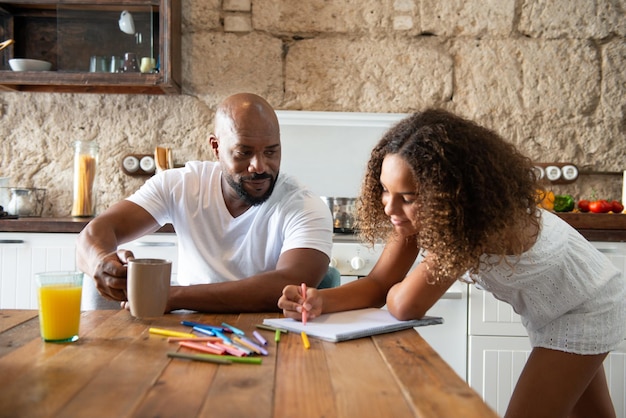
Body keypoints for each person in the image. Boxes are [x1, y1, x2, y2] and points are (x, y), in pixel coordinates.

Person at [278, 109, 625, 418]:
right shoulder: (418, 216)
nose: (389, 208)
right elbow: (380, 285)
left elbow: (404, 304)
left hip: (585, 306)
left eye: (408, 197)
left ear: (448, 193)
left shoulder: (467, 224)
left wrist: (402, 285)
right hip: (558, 304)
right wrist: (320, 300)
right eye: (384, 190)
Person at [76, 92, 333, 313]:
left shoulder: (304, 206)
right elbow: (96, 232)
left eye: (271, 152)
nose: (260, 166)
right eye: (244, 153)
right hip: (187, 328)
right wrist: (101, 262)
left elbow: (288, 284)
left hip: (270, 335)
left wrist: (172, 297)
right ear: (216, 147)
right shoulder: (181, 184)